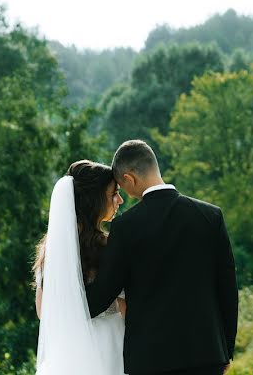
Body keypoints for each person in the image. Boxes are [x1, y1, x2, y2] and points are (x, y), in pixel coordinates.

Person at [85, 139, 239, 375]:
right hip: (207, 354)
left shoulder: (126, 227)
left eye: (121, 186)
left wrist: (65, 299)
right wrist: (226, 348)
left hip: (151, 360)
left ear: (129, 179)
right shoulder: (210, 216)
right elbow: (227, 290)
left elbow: (103, 294)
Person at [34, 160, 126, 374]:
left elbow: (42, 311)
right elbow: (125, 309)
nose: (120, 200)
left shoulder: (51, 250)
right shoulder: (109, 247)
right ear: (94, 200)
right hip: (109, 350)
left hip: (66, 355)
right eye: (114, 193)